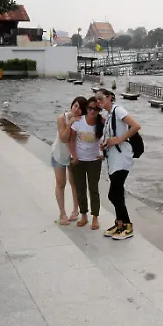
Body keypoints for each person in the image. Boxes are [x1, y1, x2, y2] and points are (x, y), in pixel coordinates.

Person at [96, 89, 141, 240]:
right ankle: (120, 223)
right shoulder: (109, 115)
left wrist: (119, 139)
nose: (98, 102)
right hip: (113, 158)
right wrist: (105, 143)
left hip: (122, 158)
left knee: (113, 194)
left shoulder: (118, 110)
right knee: (117, 193)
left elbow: (135, 126)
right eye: (96, 100)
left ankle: (128, 226)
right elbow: (110, 135)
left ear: (109, 97)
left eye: (101, 99)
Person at [69, 97, 104, 230]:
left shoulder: (101, 122)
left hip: (94, 161)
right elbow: (71, 140)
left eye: (95, 109)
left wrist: (103, 154)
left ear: (99, 110)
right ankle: (84, 215)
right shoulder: (79, 122)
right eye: (90, 108)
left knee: (93, 189)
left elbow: (106, 139)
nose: (92, 111)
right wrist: (74, 156)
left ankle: (95, 217)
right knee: (80, 188)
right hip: (79, 160)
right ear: (86, 109)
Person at [51, 97, 86, 225]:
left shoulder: (83, 121)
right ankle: (62, 213)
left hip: (73, 156)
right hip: (59, 154)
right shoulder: (62, 118)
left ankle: (76, 210)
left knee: (74, 183)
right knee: (61, 184)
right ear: (72, 105)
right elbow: (64, 138)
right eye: (75, 106)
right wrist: (70, 123)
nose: (77, 109)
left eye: (80, 108)